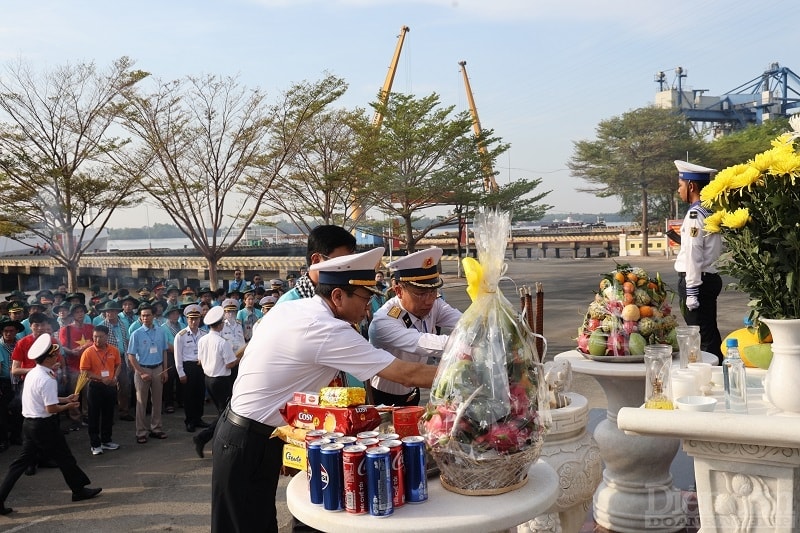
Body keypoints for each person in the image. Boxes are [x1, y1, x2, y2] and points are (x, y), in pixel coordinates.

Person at [211, 247, 437, 533]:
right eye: (365, 299)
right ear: (338, 296)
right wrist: (469, 376)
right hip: (248, 440)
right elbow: (406, 373)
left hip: (252, 432)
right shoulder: (327, 329)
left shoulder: (293, 307)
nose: (368, 308)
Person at [0, 334, 102, 514]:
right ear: (47, 358)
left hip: (29, 425)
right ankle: (78, 490)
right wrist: (69, 405)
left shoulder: (33, 372)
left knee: (20, 463)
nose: (57, 358)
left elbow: (43, 399)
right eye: (54, 356)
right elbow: (50, 408)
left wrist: (65, 398)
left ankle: (0, 498)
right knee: (65, 457)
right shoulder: (47, 379)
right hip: (43, 426)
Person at [369, 248, 462, 406]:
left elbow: (464, 323)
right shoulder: (384, 321)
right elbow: (423, 343)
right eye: (420, 294)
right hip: (383, 398)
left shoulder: (435, 304)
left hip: (413, 390)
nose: (429, 300)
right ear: (399, 291)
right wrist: (468, 347)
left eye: (433, 291)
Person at [674, 160, 724, 362]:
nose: (679, 190)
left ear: (691, 186)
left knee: (702, 338)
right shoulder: (708, 211)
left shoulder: (695, 215)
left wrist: (692, 289)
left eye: (680, 185)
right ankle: (717, 371)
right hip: (707, 278)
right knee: (709, 332)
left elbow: (694, 251)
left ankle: (713, 376)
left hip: (698, 281)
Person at [193, 306, 237, 459]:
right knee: (226, 413)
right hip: (221, 380)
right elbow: (230, 363)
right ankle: (204, 437)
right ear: (220, 325)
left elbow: (199, 360)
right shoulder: (222, 342)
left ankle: (214, 442)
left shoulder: (202, 339)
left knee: (222, 412)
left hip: (208, 379)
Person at [277, 225, 357, 304]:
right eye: (341, 262)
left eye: (351, 262)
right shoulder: (289, 304)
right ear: (316, 260)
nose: (348, 269)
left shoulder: (352, 297)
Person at [126, 303, 169, 444]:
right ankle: (141, 431)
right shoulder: (136, 334)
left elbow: (164, 351)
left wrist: (164, 370)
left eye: (148, 315)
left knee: (157, 401)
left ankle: (156, 428)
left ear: (153, 316)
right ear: (140, 316)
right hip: (142, 369)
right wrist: (140, 372)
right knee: (141, 402)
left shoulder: (160, 332)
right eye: (143, 315)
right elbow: (131, 356)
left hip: (157, 368)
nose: (145, 318)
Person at [79, 325, 121, 455]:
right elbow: (84, 372)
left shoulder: (114, 350)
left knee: (108, 414)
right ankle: (95, 444)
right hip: (95, 386)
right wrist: (101, 378)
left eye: (100, 337)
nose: (97, 339)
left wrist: (115, 377)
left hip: (110, 386)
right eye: (95, 337)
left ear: (107, 337)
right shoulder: (88, 352)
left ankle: (106, 440)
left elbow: (118, 364)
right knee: (94, 416)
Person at [173, 304, 208, 433]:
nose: (194, 322)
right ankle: (190, 421)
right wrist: (180, 372)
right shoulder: (180, 336)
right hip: (188, 367)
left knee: (200, 394)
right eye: (191, 319)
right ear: (187, 319)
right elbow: (178, 356)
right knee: (189, 395)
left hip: (201, 367)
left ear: (200, 319)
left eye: (196, 319)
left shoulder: (204, 334)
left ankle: (198, 418)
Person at [0, 318, 22, 451]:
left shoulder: (20, 344)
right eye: (5, 331)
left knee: (18, 410)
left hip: (18, 381)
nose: (8, 334)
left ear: (16, 332)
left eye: (11, 331)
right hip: (3, 382)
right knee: (1, 413)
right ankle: (3, 440)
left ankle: (16, 436)